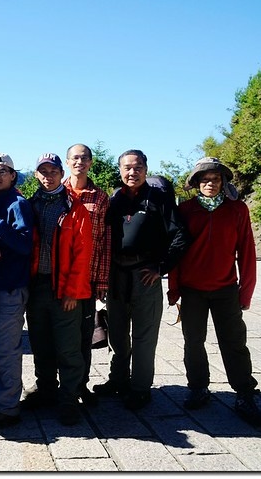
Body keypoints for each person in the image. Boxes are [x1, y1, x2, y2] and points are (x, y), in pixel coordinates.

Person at [167, 157, 261, 427]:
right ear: (196, 183)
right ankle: (198, 388)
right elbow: (176, 250)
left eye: (215, 179)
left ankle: (245, 393)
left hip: (225, 289)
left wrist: (245, 292)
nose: (210, 183)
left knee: (234, 342)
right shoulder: (185, 210)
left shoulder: (237, 210)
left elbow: (247, 251)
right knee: (193, 341)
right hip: (192, 290)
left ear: (223, 182)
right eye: (204, 179)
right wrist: (174, 288)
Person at [94, 150, 189, 410]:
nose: (132, 173)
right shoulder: (114, 199)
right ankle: (118, 380)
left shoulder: (159, 199)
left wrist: (161, 267)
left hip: (145, 274)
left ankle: (140, 387)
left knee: (144, 336)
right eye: (127, 168)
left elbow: (181, 236)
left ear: (146, 169)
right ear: (120, 170)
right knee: (117, 334)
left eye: (137, 168)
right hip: (116, 275)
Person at [22, 152, 92, 426]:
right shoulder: (30, 205)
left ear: (61, 173)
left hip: (64, 288)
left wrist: (73, 292)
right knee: (40, 342)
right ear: (36, 175)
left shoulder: (74, 207)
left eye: (53, 171)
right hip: (37, 285)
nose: (48, 176)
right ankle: (47, 389)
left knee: (68, 346)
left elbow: (83, 253)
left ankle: (69, 399)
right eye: (43, 172)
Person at [0, 153, 33, 430]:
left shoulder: (18, 204)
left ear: (13, 175)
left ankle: (9, 407)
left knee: (6, 350)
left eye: (3, 171)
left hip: (10, 288)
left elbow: (25, 244)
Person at [63, 144, 111, 406]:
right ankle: (54, 383)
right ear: (68, 162)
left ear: (91, 163)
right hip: (58, 276)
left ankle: (80, 385)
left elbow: (105, 240)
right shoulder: (58, 193)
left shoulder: (101, 198)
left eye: (84, 158)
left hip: (88, 278)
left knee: (84, 333)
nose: (79, 162)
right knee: (59, 332)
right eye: (75, 158)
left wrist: (102, 279)